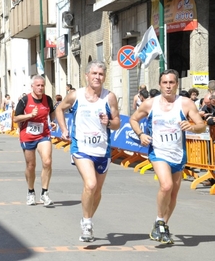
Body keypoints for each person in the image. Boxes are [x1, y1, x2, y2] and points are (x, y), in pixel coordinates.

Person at [129, 69, 206, 244]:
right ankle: (159, 220)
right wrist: (141, 134)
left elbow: (201, 125)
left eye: (172, 82)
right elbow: (133, 119)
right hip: (158, 152)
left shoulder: (185, 103)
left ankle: (163, 226)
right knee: (166, 186)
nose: (168, 86)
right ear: (159, 84)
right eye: (165, 83)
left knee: (173, 195)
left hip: (178, 153)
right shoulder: (150, 104)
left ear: (177, 84)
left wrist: (192, 126)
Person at [55, 60, 120, 242]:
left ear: (104, 77)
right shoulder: (76, 96)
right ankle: (87, 223)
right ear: (87, 76)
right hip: (81, 147)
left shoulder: (109, 97)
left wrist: (109, 122)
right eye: (94, 73)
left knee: (97, 191)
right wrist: (64, 129)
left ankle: (87, 218)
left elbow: (117, 123)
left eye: (101, 74)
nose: (97, 77)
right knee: (90, 184)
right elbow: (59, 109)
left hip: (102, 149)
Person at [14, 75, 56, 207]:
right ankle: (31, 192)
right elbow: (15, 119)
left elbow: (52, 114)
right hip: (28, 136)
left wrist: (53, 122)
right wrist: (29, 115)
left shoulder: (48, 99)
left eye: (42, 85)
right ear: (32, 86)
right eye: (38, 85)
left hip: (43, 134)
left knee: (47, 161)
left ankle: (44, 193)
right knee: (31, 166)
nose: (40, 87)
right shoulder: (24, 100)